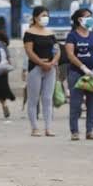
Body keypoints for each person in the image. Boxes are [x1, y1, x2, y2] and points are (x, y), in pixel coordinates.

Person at [65, 8, 93, 141]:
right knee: (75, 103)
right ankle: (74, 131)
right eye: (87, 16)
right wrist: (83, 67)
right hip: (77, 73)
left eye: (91, 16)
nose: (90, 19)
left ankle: (90, 131)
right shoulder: (72, 36)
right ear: (79, 20)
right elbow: (70, 54)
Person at [24, 7, 60, 137]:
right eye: (43, 15)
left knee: (47, 98)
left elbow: (57, 50)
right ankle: (34, 127)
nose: (46, 17)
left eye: (47, 15)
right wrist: (41, 63)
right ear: (35, 17)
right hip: (35, 68)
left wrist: (52, 63)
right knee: (33, 99)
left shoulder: (50, 33)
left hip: (50, 68)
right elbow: (29, 51)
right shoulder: (29, 32)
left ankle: (48, 128)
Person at [0, 30, 15, 119]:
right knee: (2, 90)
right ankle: (4, 105)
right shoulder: (4, 45)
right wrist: (9, 67)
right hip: (4, 70)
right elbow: (8, 58)